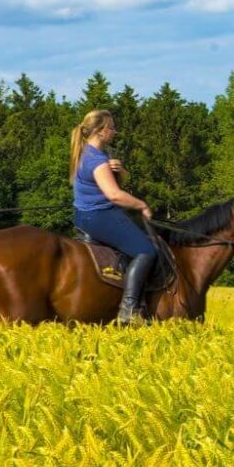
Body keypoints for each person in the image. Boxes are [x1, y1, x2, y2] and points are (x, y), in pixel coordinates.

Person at [69, 109, 156, 325]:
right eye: (111, 127)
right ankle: (129, 309)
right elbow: (114, 195)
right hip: (100, 215)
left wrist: (120, 172)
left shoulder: (86, 153)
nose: (115, 132)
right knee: (146, 250)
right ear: (100, 131)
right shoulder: (96, 159)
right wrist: (141, 205)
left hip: (83, 215)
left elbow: (103, 184)